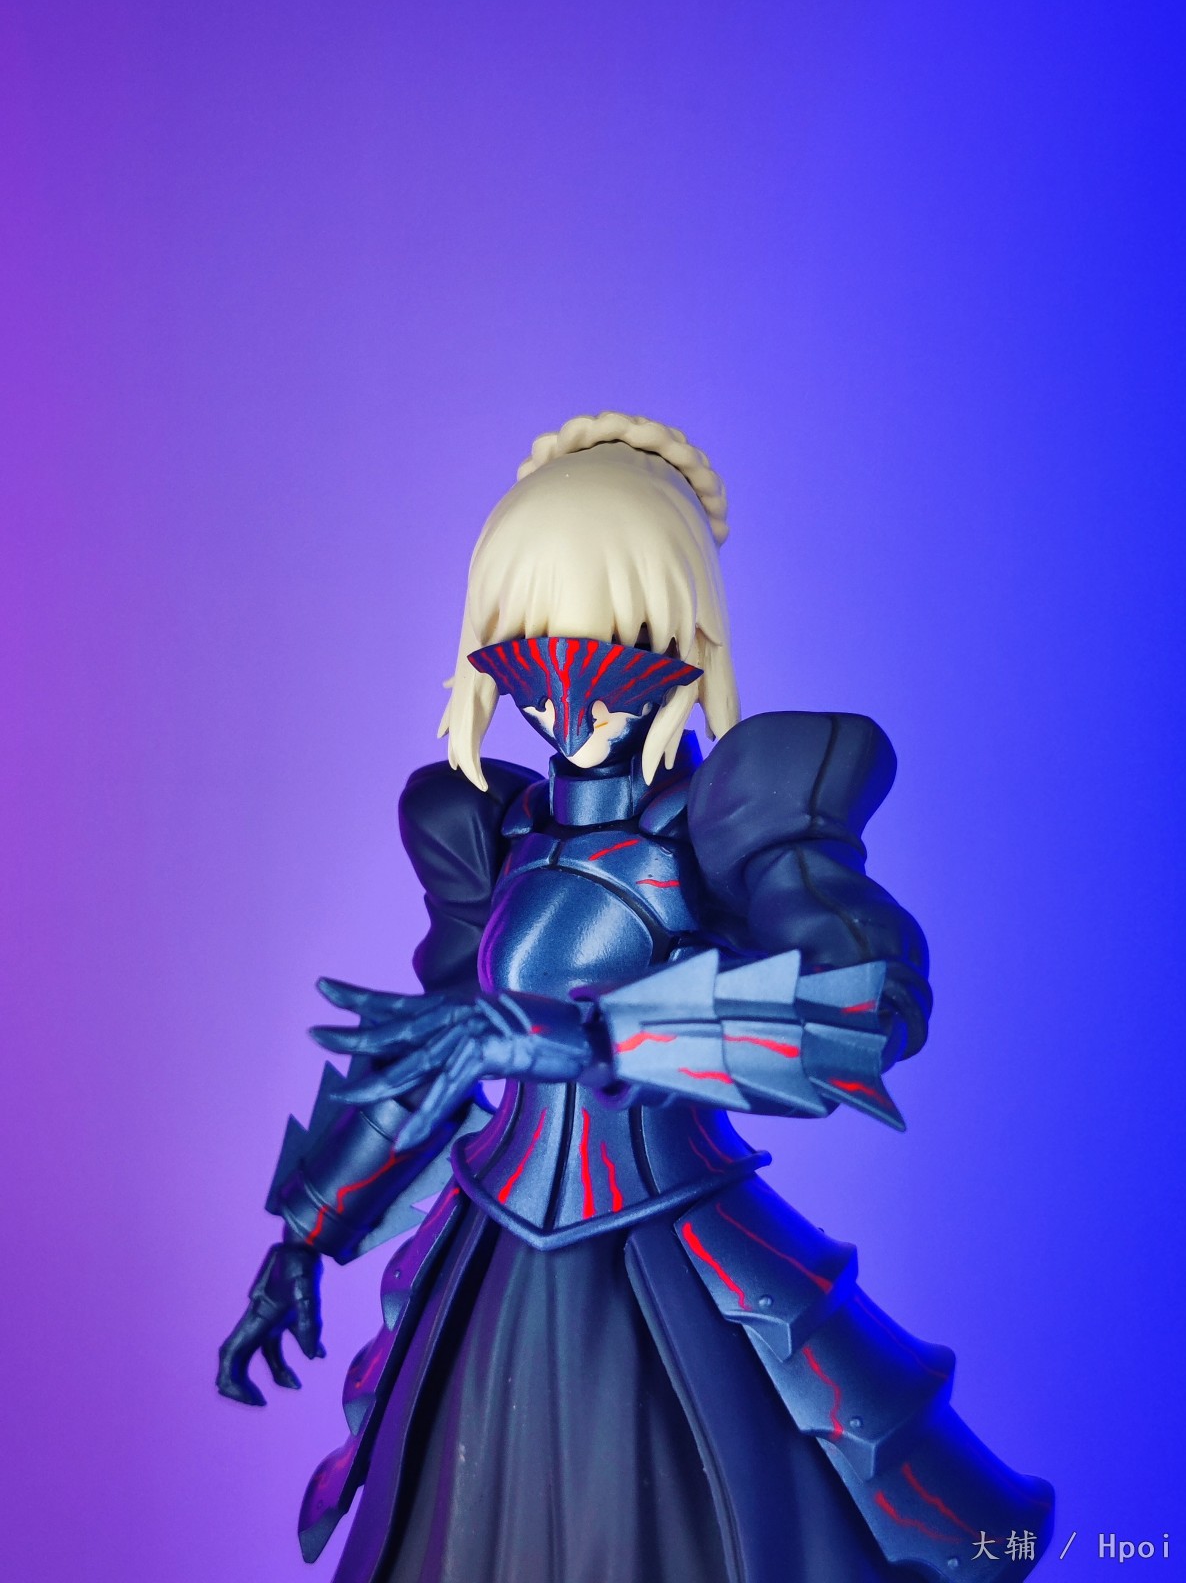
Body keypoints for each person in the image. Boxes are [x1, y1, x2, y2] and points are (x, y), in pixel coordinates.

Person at [218, 413, 1052, 1582]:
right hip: (490, 1259)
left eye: (617, 639)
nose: (567, 690)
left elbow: (866, 1005)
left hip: (670, 1255)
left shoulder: (730, 819)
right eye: (528, 644)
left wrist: (589, 1035)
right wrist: (305, 1236)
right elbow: (433, 1049)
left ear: (684, 636)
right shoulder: (490, 834)